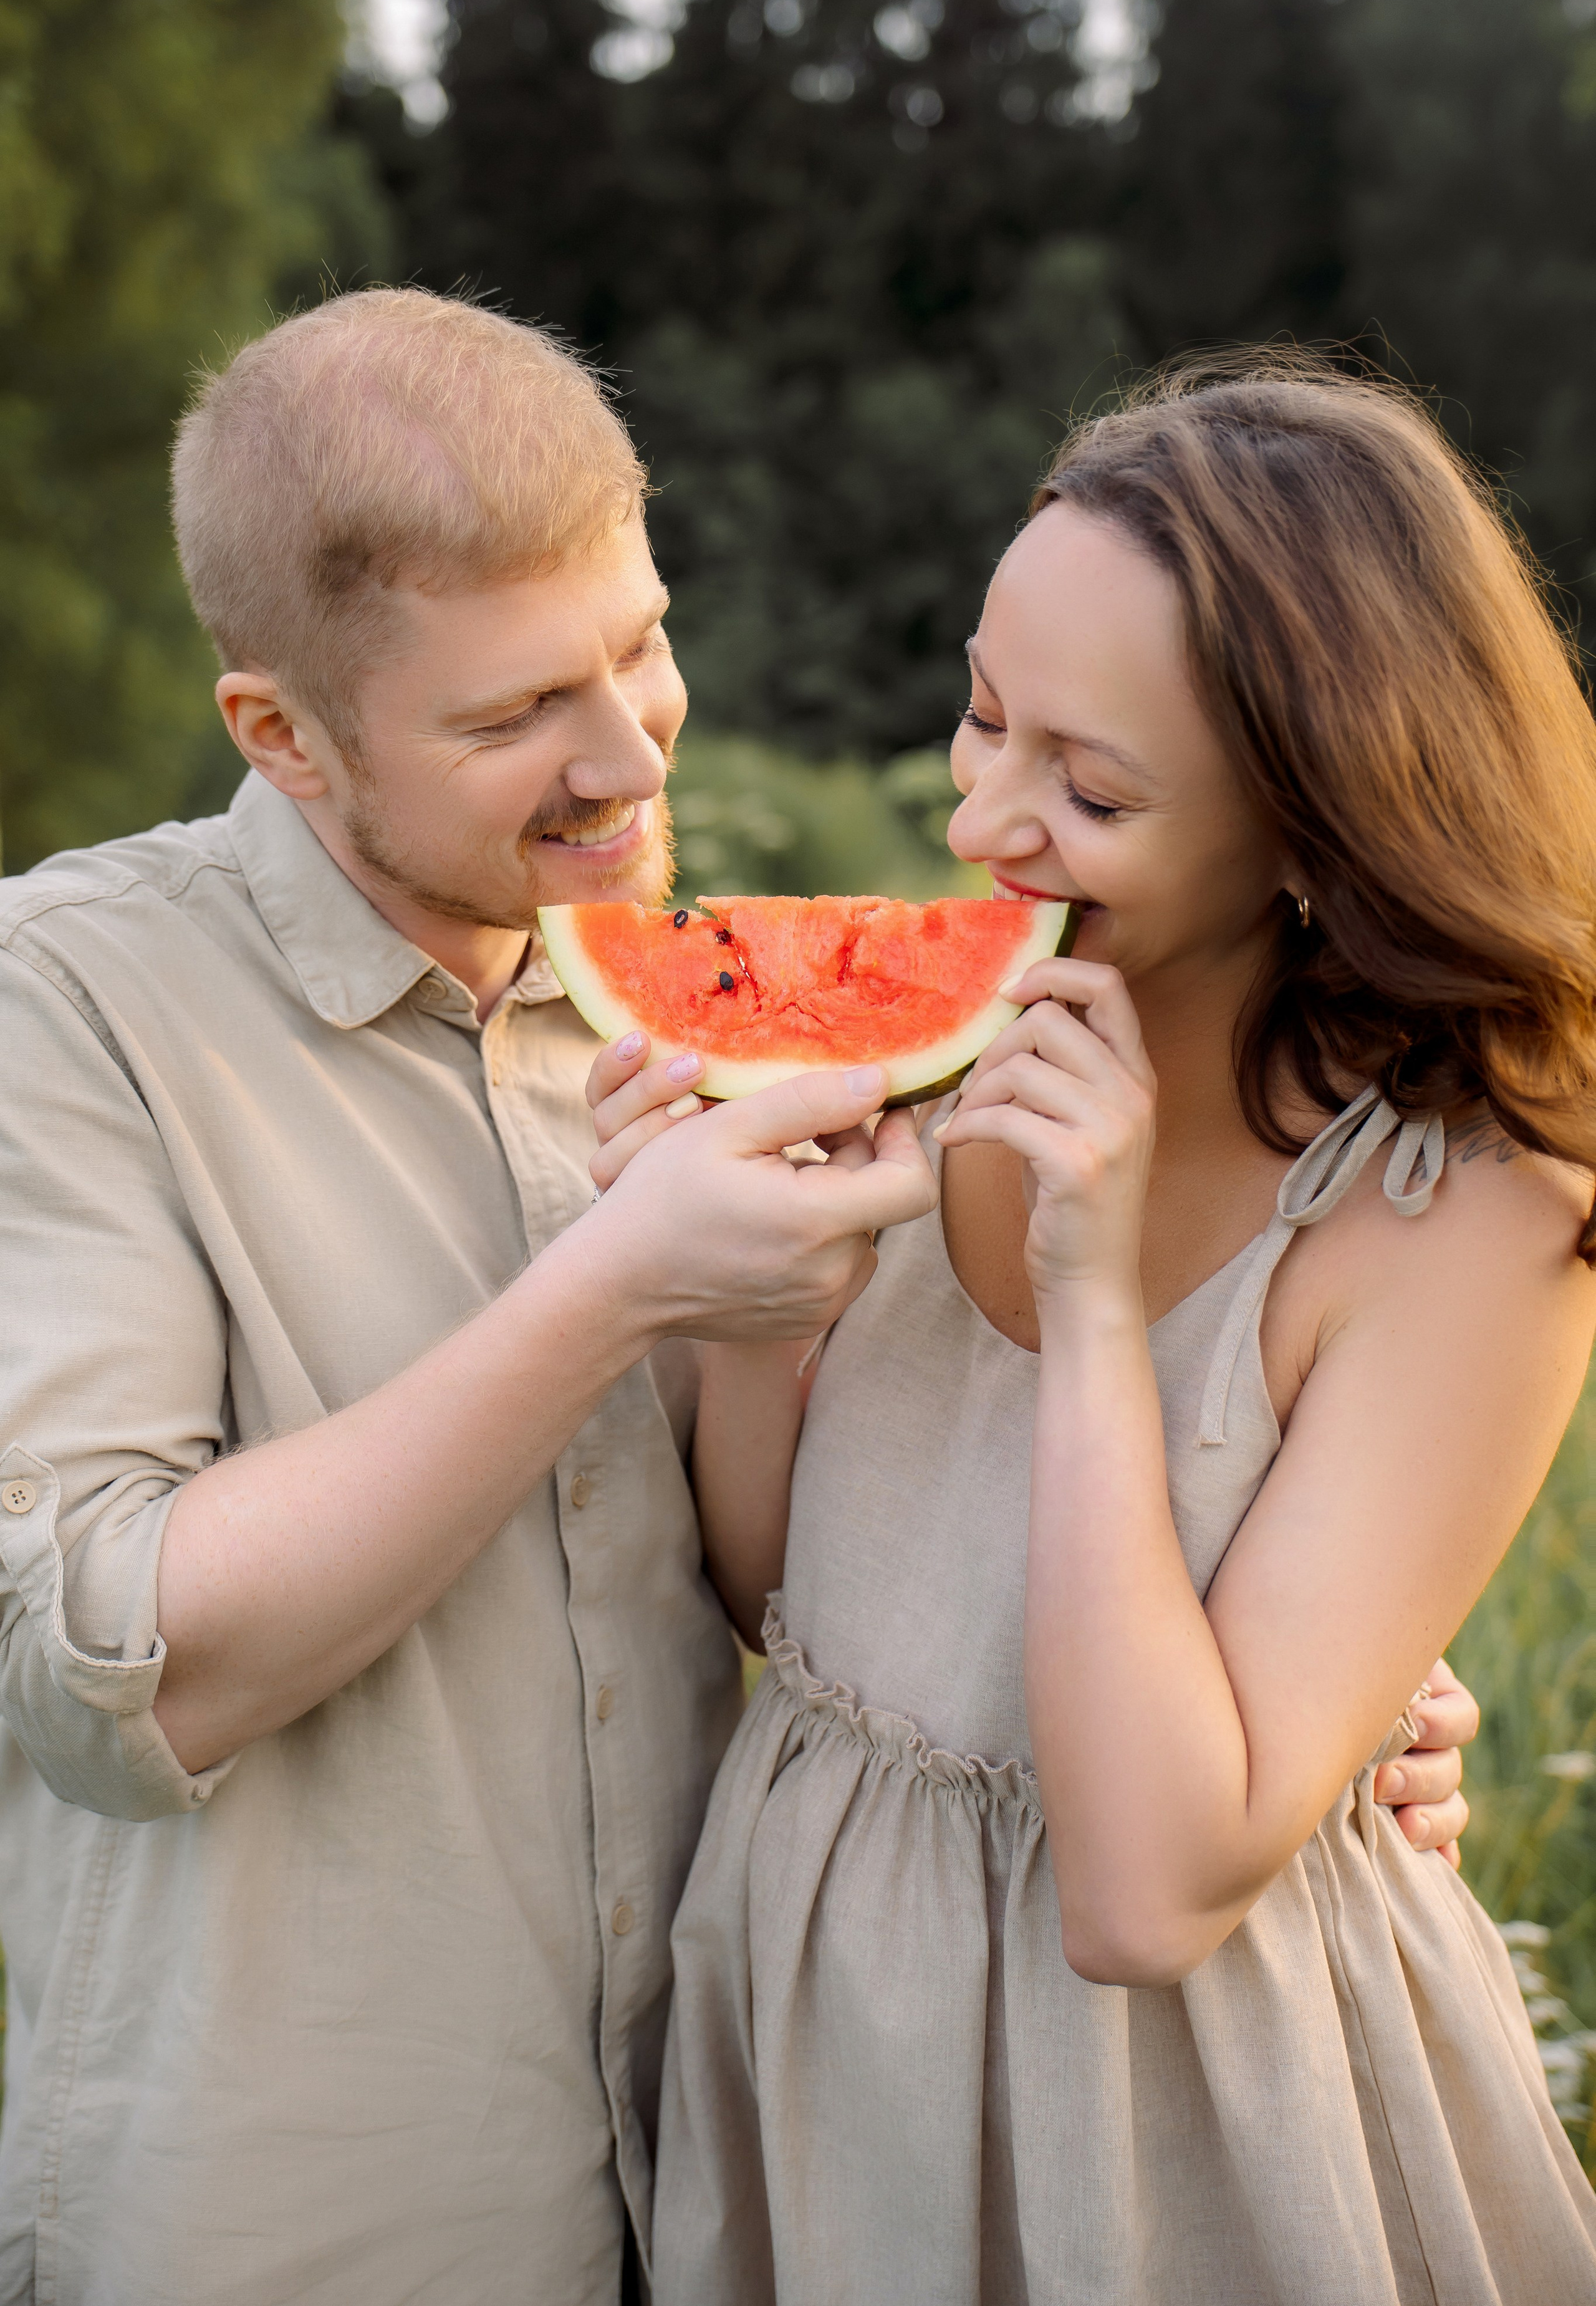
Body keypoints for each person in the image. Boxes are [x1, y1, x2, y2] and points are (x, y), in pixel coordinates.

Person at [590, 356, 1596, 2304]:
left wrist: (1091, 1283)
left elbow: (1146, 1883)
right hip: (826, 2080)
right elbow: (805, 1596)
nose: (983, 820)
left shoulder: (1468, 1219)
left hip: (1181, 2130)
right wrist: (725, 1291)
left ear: (1318, 827)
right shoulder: (956, 1057)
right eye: (980, 714)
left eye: (1093, 787)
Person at [0, 287, 940, 2306]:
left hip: (718, 2178)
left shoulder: (660, 992)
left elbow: (783, 1594)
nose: (625, 754)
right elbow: (109, 1669)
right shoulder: (62, 1000)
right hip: (304, 2226)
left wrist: (1307, 1685)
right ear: (283, 733)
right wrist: (610, 1288)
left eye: (642, 642)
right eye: (517, 712)